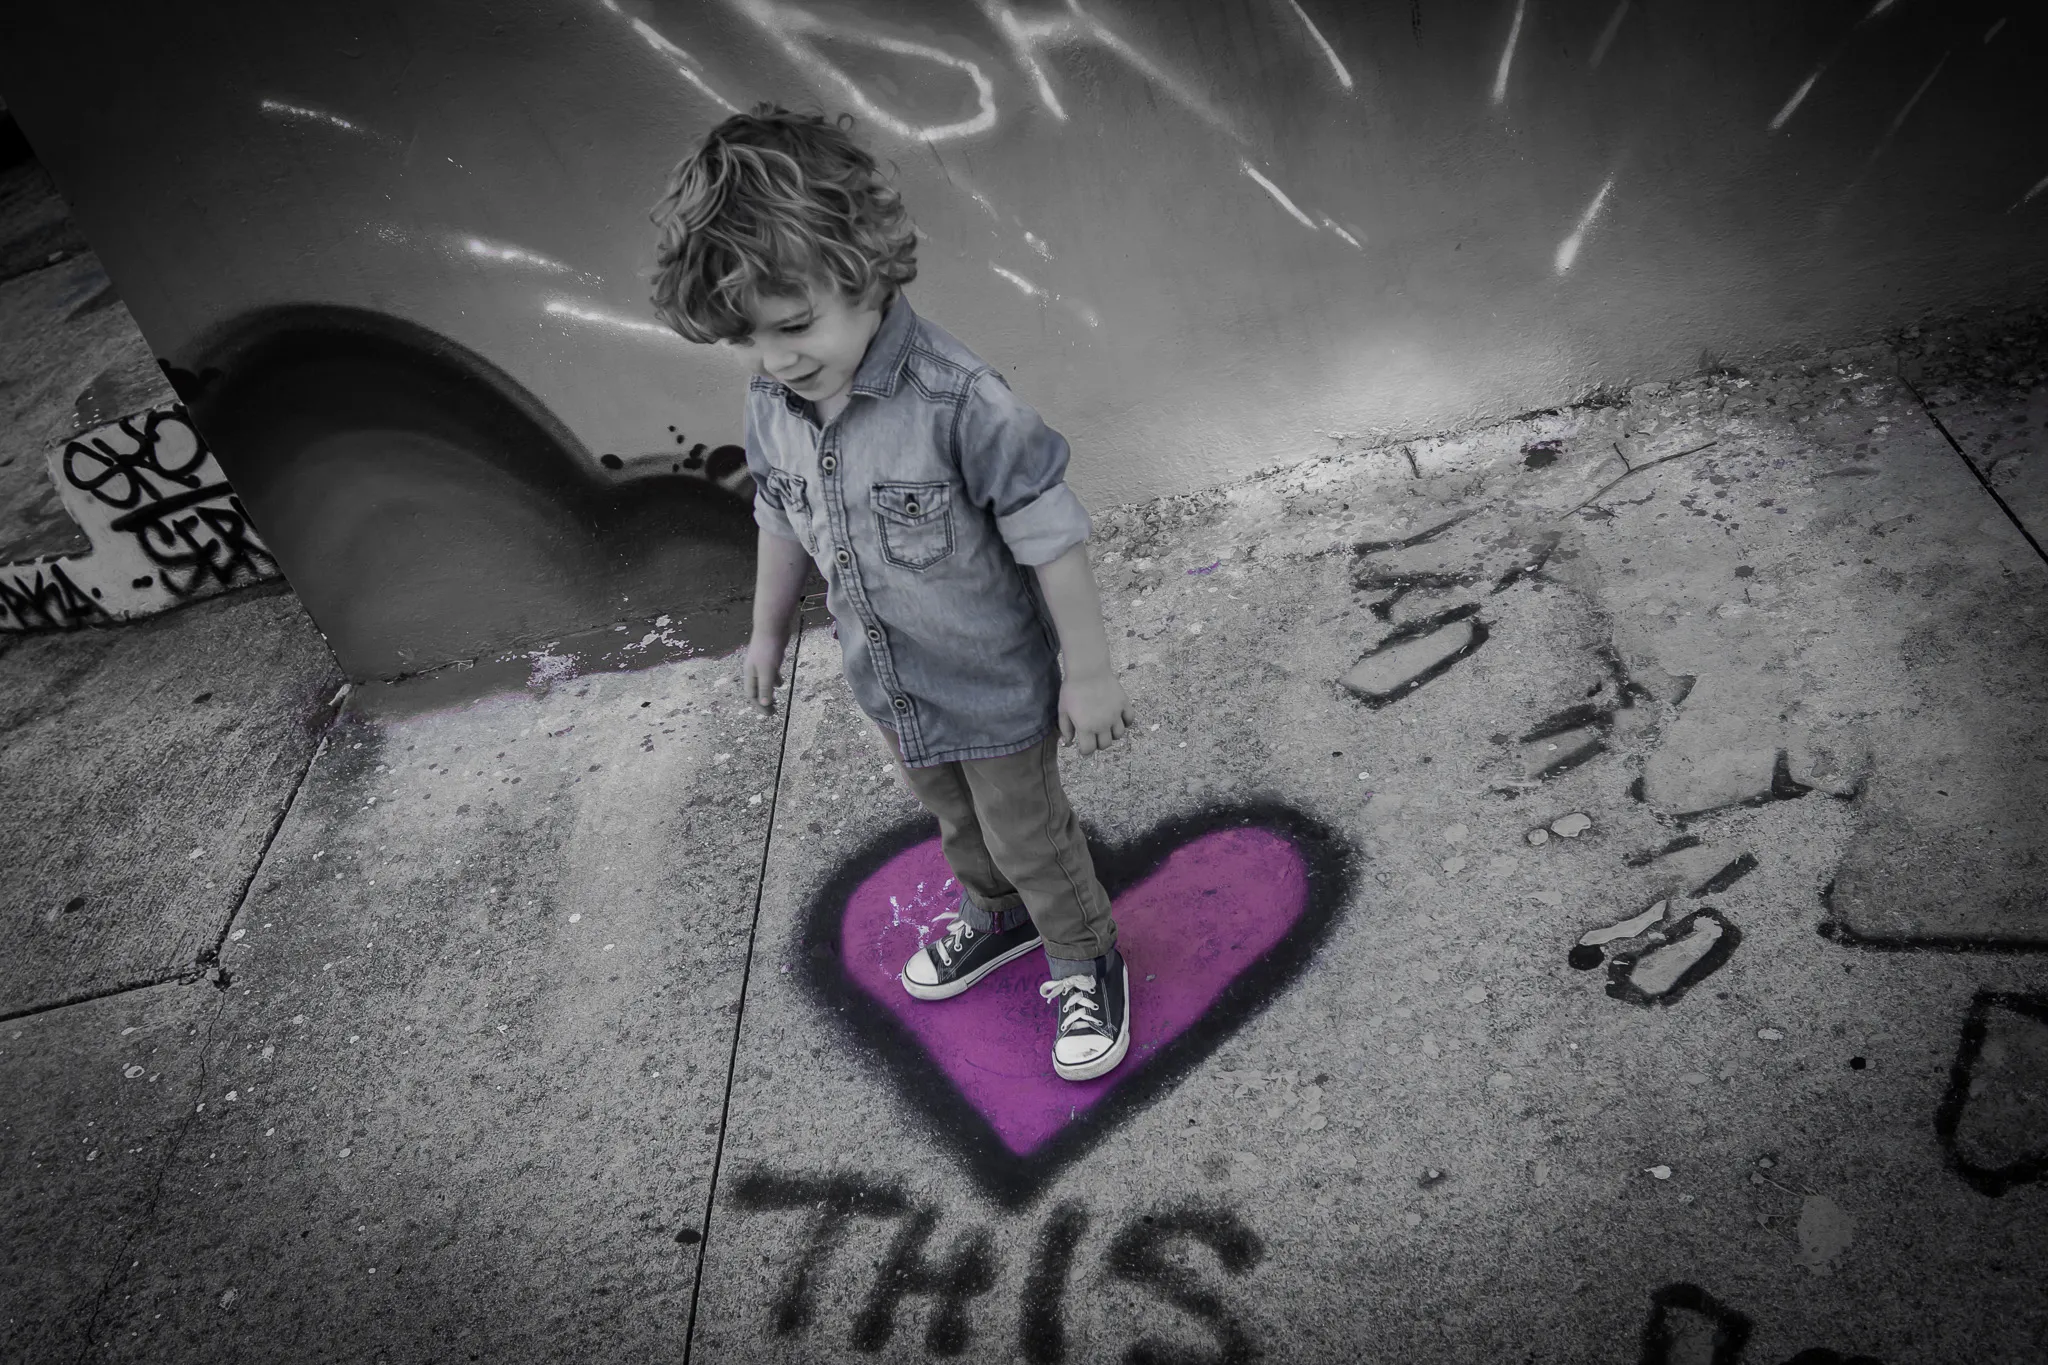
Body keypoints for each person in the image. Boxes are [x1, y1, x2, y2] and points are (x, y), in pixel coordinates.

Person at [650, 105, 1135, 1082]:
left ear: (865, 269)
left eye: (793, 325)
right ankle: (997, 921)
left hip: (992, 686)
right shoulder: (771, 401)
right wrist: (764, 631)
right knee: (955, 824)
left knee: (1029, 835)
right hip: (889, 684)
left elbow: (1050, 534)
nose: (775, 356)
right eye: (747, 337)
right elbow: (780, 517)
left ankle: (1085, 959)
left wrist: (1087, 672)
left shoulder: (958, 402)